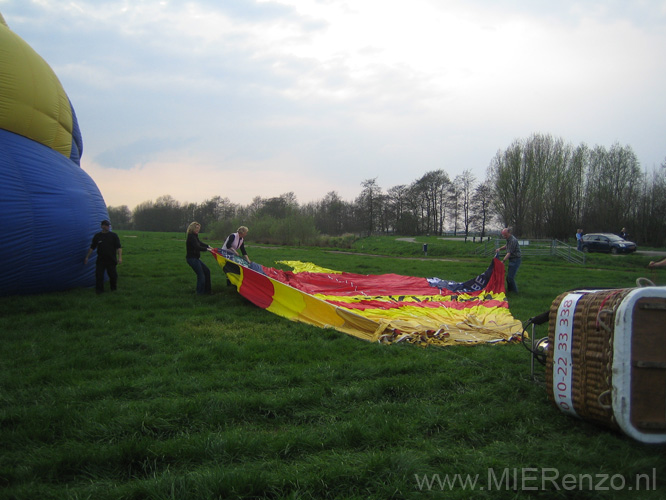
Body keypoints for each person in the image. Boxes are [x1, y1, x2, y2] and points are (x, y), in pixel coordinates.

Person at [85, 220, 122, 294]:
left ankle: (113, 289)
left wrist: (120, 257)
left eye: (108, 225)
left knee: (113, 276)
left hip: (111, 259)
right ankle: (99, 291)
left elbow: (119, 247)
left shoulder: (113, 236)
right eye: (106, 225)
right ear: (102, 226)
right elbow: (92, 247)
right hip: (101, 260)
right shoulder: (98, 236)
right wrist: (87, 257)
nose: (107, 227)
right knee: (99, 275)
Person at [186, 221, 213, 295]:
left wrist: (208, 246)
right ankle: (199, 293)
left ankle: (207, 291)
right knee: (201, 275)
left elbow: (200, 243)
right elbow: (197, 247)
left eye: (199, 228)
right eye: (196, 228)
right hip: (192, 259)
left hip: (196, 258)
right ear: (192, 228)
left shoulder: (195, 235)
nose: (198, 229)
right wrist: (207, 249)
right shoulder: (191, 236)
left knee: (207, 271)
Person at [498, 227, 521, 293]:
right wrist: (499, 249)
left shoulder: (513, 240)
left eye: (505, 234)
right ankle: (510, 290)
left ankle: (514, 291)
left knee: (510, 278)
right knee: (508, 278)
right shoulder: (509, 239)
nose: (504, 236)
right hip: (512, 260)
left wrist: (503, 260)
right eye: (503, 235)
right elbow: (506, 246)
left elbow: (509, 253)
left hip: (515, 259)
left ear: (509, 233)